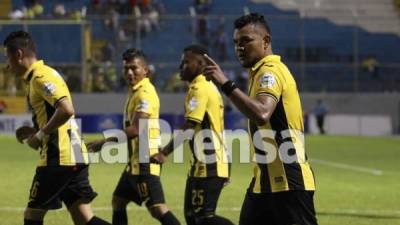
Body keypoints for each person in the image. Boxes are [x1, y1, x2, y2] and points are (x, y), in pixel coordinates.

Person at [202, 13, 318, 225]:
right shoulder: (257, 73)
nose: (239, 47)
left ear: (266, 41)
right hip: (264, 183)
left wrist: (225, 83)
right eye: (236, 42)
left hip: (288, 183)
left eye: (246, 40)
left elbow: (262, 113)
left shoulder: (270, 71)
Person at [3, 30, 111, 225]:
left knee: (32, 215)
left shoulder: (41, 77)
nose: (7, 65)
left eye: (7, 58)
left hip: (59, 157)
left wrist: (40, 135)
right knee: (83, 217)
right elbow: (57, 114)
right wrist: (34, 131)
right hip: (73, 154)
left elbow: (66, 110)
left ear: (18, 54)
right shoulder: (41, 75)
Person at [87, 48, 181, 225]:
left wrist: (103, 142)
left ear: (146, 70)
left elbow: (137, 129)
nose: (129, 73)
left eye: (134, 68)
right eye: (125, 69)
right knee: (118, 201)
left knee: (158, 209)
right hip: (135, 162)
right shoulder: (136, 91)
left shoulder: (145, 93)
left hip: (146, 162)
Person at [151, 45, 233, 225]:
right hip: (203, 163)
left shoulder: (200, 88)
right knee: (192, 216)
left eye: (186, 62)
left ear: (201, 64)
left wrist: (164, 152)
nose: (181, 66)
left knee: (203, 217)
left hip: (209, 163)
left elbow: (189, 126)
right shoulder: (203, 86)